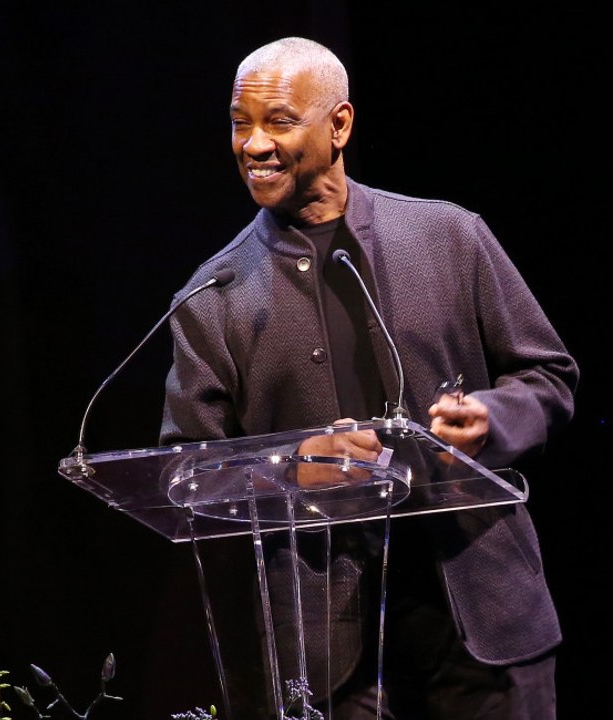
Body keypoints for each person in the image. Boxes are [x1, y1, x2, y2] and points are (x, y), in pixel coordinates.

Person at [160, 36, 579, 720]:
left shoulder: (449, 236)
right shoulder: (214, 296)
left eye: (278, 121)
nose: (254, 145)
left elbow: (548, 375)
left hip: (482, 610)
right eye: (240, 124)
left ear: (340, 125)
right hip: (330, 652)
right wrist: (289, 467)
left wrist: (492, 418)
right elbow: (187, 475)